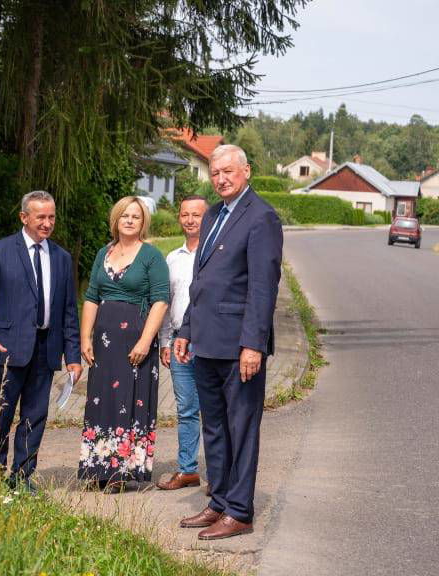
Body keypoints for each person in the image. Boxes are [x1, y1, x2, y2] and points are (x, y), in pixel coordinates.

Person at [174, 144, 283, 540]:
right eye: (215, 172)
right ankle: (219, 501)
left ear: (246, 172)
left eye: (228, 172)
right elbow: (201, 282)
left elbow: (262, 287)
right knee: (215, 428)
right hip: (205, 343)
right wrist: (186, 330)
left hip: (240, 348)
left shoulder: (262, 217)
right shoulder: (214, 215)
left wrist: (253, 344)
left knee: (241, 428)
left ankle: (239, 510)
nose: (220, 178)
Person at [0, 191, 82, 492]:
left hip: (46, 351)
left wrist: (73, 355)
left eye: (51, 217)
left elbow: (69, 311)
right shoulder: (0, 251)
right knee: (0, 416)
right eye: (41, 217)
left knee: (35, 417)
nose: (47, 224)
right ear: (24, 217)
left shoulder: (61, 257)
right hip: (7, 351)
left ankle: (21, 476)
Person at [77, 196, 169, 491]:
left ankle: (119, 472)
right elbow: (92, 296)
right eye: (125, 216)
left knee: (129, 401)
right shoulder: (104, 252)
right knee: (100, 400)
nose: (130, 220)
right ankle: (98, 468)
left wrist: (146, 340)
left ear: (143, 223)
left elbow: (160, 300)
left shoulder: (151, 256)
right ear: (115, 220)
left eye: (136, 217)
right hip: (104, 343)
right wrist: (85, 337)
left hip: (134, 342)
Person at [156, 194, 208, 491]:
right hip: (179, 344)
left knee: (215, 410)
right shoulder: (172, 259)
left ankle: (220, 474)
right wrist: (165, 341)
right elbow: (166, 302)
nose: (190, 220)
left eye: (196, 215)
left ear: (207, 217)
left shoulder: (216, 253)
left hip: (211, 343)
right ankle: (187, 469)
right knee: (186, 409)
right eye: (185, 214)